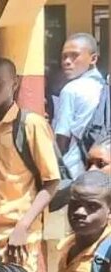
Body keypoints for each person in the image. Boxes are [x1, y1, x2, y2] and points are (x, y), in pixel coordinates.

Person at [0, 58, 61, 272]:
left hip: (18, 232)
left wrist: (23, 226)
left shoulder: (30, 124)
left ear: (14, 83)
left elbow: (52, 182)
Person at [54, 33, 106, 178]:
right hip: (104, 166)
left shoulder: (71, 90)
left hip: (76, 169)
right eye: (64, 57)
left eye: (74, 56)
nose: (67, 62)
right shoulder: (105, 87)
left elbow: (62, 138)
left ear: (93, 59)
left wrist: (55, 169)